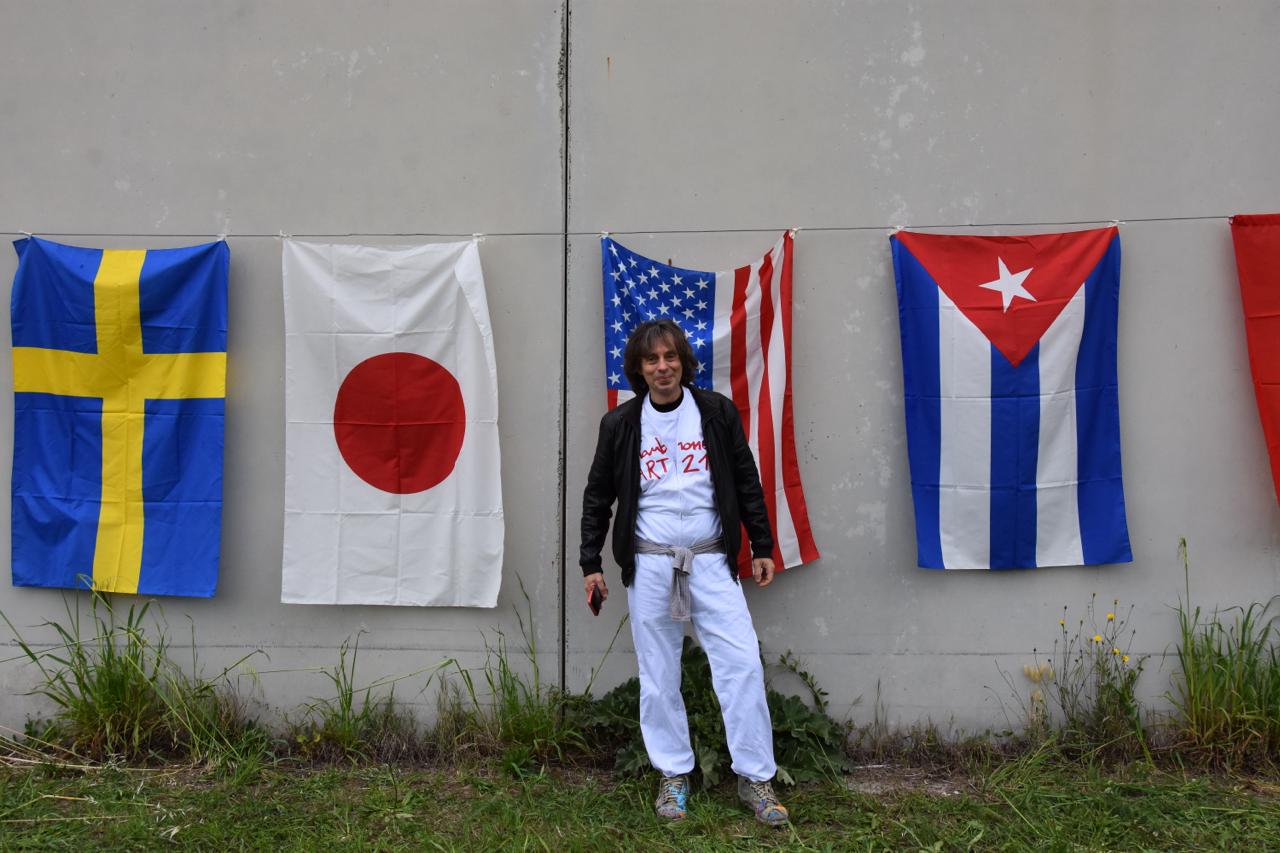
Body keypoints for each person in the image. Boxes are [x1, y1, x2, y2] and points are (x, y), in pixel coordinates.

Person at [579, 318, 788, 826]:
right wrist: (590, 562)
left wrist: (761, 543)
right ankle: (673, 774)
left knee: (741, 665)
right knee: (658, 675)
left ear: (684, 362)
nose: (662, 367)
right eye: (652, 359)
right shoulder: (621, 424)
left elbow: (746, 478)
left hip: (711, 559)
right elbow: (598, 496)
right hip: (650, 563)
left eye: (670, 357)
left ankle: (756, 778)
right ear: (639, 368)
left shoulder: (714, 412)